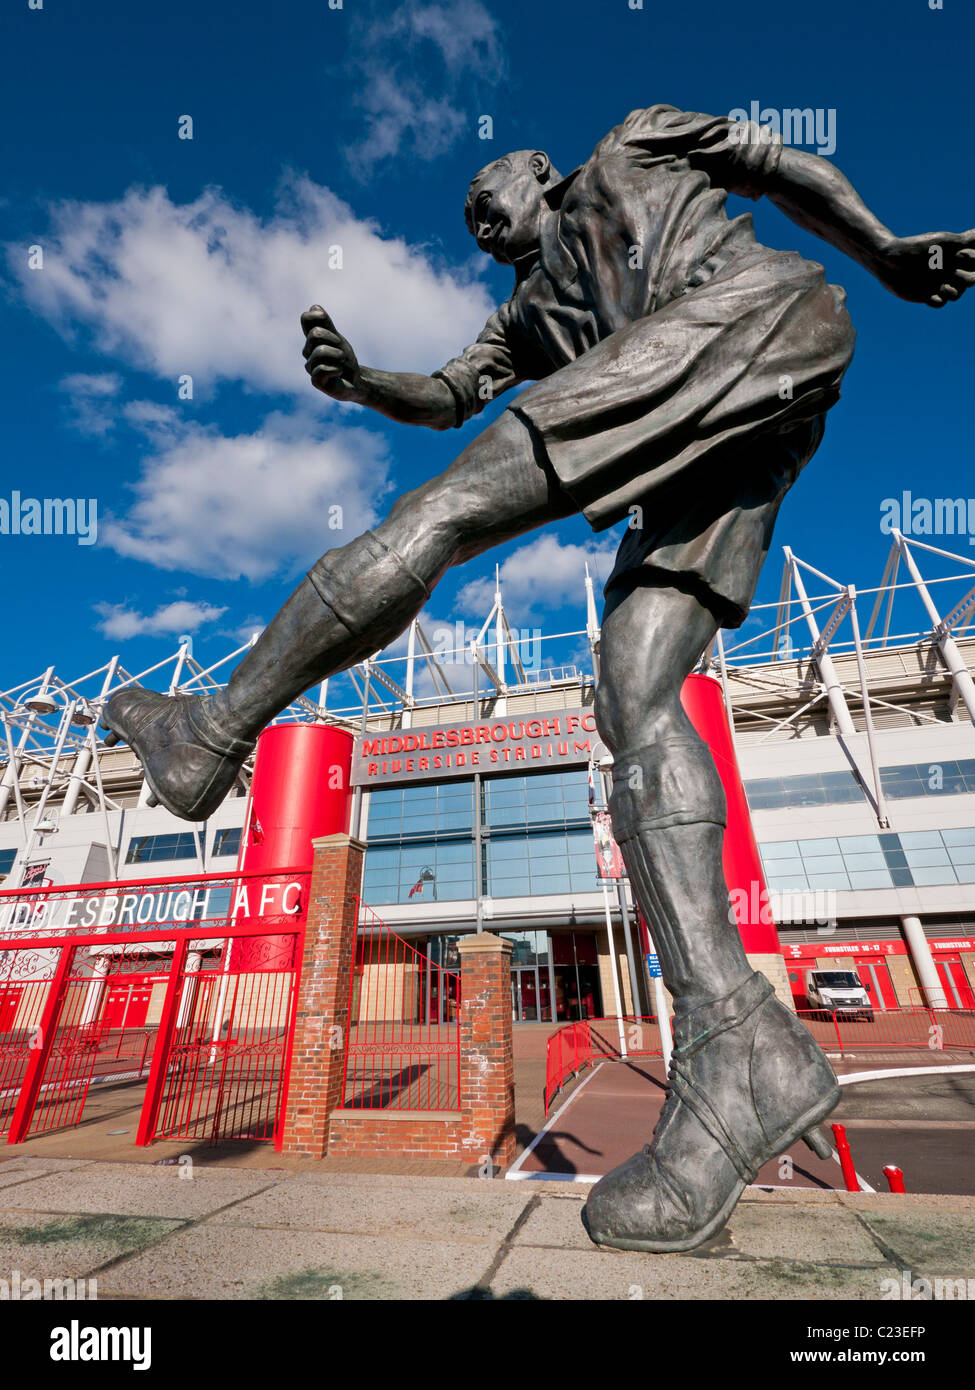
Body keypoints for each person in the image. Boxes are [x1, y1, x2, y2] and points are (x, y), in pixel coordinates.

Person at [102, 104, 975, 1251]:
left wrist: (887, 246)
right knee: (635, 693)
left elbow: (779, 168)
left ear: (537, 171)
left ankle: (210, 728)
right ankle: (742, 1053)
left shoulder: (637, 140)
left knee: (444, 512)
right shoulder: (522, 319)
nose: (478, 220)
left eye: (486, 194)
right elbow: (453, 391)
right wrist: (365, 383)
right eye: (467, 221)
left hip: (742, 320)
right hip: (745, 416)